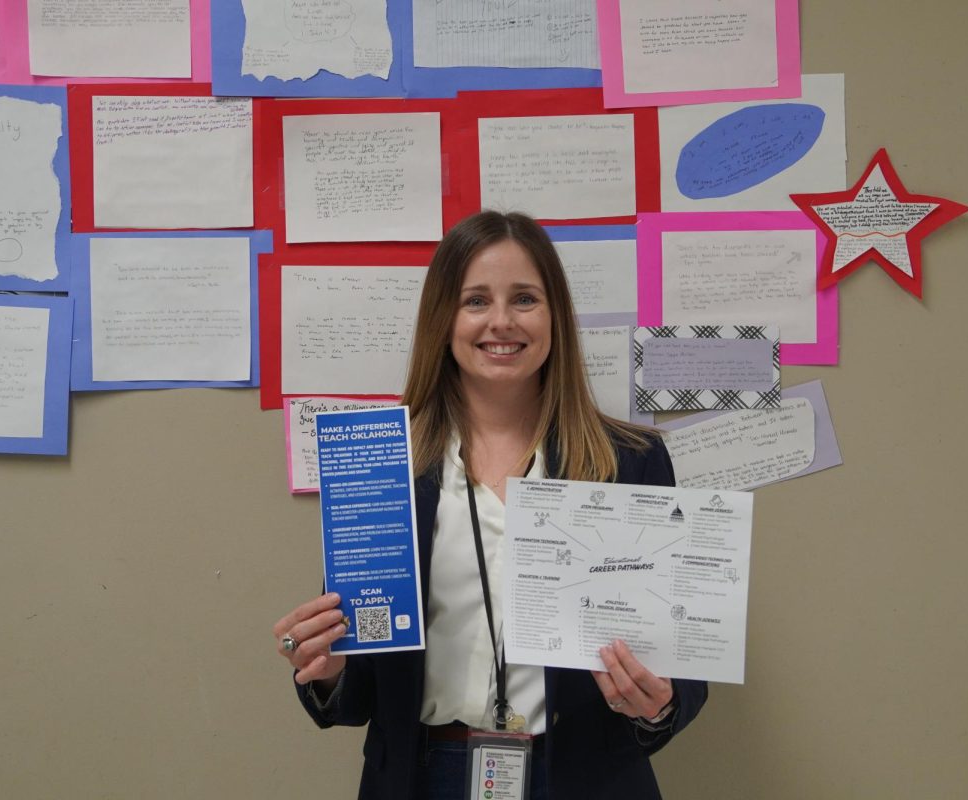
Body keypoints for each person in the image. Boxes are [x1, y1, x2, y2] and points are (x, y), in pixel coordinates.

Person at [274, 210, 707, 799]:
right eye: (475, 300)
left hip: (582, 778)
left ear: (555, 317)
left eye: (524, 298)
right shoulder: (383, 467)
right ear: (443, 320)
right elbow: (364, 681)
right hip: (425, 776)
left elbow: (682, 659)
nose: (501, 321)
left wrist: (660, 703)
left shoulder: (631, 463)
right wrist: (330, 670)